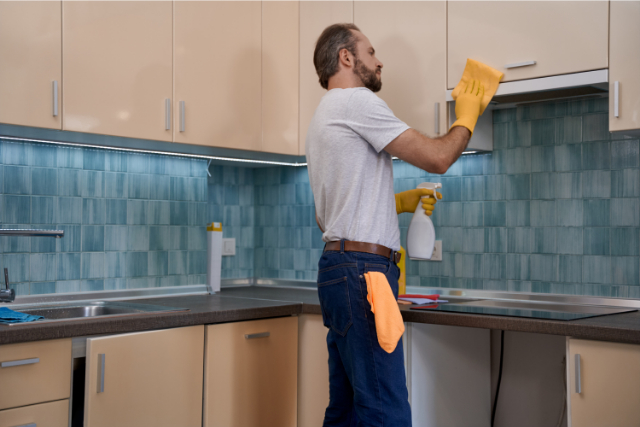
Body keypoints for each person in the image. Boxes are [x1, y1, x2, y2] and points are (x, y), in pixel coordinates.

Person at [305, 23, 487, 427]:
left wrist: (396, 204)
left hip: (337, 272)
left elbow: (327, 216)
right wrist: (468, 118)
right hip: (363, 275)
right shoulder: (357, 102)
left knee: (347, 411)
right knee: (385, 412)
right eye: (370, 52)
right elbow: (438, 158)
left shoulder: (321, 118)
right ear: (346, 58)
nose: (379, 60)